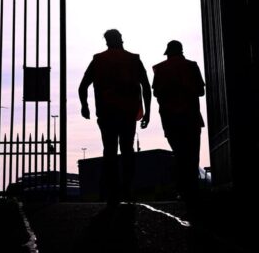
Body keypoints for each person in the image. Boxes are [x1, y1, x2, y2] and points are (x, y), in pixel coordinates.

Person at [79, 29, 151, 205]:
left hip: (106, 113)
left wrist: (85, 106)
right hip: (128, 112)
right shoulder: (134, 59)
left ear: (106, 42)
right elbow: (147, 87)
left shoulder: (98, 60)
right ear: (121, 39)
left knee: (109, 151)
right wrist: (147, 112)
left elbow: (83, 86)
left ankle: (113, 193)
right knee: (127, 150)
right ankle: (128, 189)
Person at [152, 40, 205, 207]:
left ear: (167, 53)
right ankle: (192, 190)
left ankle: (182, 190)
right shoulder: (192, 66)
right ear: (181, 51)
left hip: (170, 118)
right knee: (192, 154)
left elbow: (156, 93)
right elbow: (201, 91)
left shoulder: (159, 68)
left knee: (179, 154)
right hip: (190, 117)